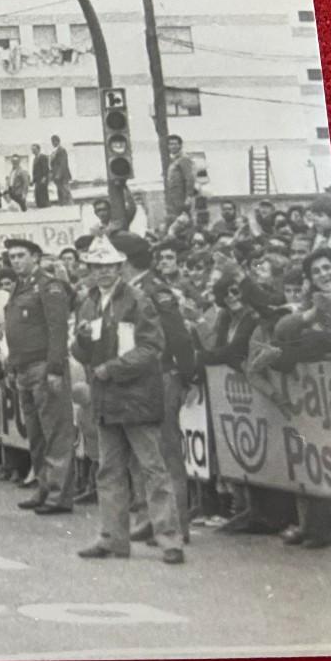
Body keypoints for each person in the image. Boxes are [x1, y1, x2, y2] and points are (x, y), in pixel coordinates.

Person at [73, 237, 185, 564]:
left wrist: (114, 368)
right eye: (97, 267)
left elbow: (152, 347)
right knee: (109, 470)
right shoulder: (88, 303)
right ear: (90, 270)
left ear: (120, 267)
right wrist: (81, 340)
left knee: (153, 469)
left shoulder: (138, 300)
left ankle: (169, 539)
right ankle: (113, 538)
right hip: (106, 397)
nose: (104, 272)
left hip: (136, 395)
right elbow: (82, 352)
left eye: (109, 266)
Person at [110, 232, 196, 544]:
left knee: (165, 452)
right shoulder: (124, 291)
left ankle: (176, 525)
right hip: (134, 378)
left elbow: (179, 336)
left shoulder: (155, 290)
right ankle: (150, 518)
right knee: (139, 453)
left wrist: (186, 377)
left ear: (126, 260)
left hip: (159, 376)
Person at [3, 238, 75, 514]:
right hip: (24, 366)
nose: (16, 261)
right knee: (36, 435)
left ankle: (59, 495)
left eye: (21, 255)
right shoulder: (19, 287)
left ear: (35, 257)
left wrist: (55, 368)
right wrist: (12, 366)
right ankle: (44, 487)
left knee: (55, 432)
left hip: (43, 365)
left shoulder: (48, 285)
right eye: (12, 257)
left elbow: (58, 329)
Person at [164, 134, 198, 225]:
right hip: (175, 197)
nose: (173, 146)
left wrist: (188, 196)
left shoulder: (184, 159)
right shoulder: (174, 160)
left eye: (175, 144)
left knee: (184, 219)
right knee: (178, 220)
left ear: (180, 145)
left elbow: (189, 178)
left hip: (182, 196)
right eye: (170, 144)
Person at [49, 135, 72, 205]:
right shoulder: (55, 151)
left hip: (63, 175)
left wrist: (58, 174)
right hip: (57, 174)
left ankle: (69, 203)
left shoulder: (62, 150)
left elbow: (63, 163)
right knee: (60, 190)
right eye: (52, 142)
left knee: (65, 189)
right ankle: (62, 203)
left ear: (58, 141)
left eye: (54, 141)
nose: (52, 143)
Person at [30, 143, 50, 208]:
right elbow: (35, 171)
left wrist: (44, 178)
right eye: (32, 149)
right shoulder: (35, 159)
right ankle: (40, 206)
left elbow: (45, 168)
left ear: (38, 149)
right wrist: (33, 180)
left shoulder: (43, 157)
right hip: (37, 180)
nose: (33, 151)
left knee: (43, 193)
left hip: (42, 179)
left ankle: (45, 206)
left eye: (34, 149)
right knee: (37, 193)